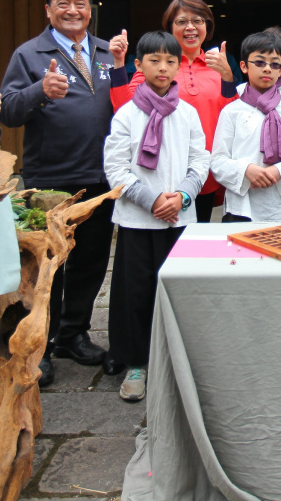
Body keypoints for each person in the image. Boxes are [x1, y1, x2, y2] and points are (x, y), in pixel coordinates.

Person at [0, 0, 119, 387]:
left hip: (101, 175)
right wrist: (40, 91)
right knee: (48, 268)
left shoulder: (105, 52)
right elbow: (8, 111)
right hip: (51, 178)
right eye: (63, 4)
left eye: (81, 4)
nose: (73, 10)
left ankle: (74, 334)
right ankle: (40, 344)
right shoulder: (29, 54)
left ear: (90, 9)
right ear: (48, 11)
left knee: (89, 262)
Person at [102, 31, 210, 400]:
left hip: (180, 218)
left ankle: (179, 361)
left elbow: (200, 160)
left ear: (179, 65)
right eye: (154, 60)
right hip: (138, 219)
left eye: (170, 61)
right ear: (138, 65)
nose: (163, 68)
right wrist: (150, 200)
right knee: (135, 292)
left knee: (178, 291)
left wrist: (181, 196)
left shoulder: (189, 113)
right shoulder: (127, 114)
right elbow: (115, 168)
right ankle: (135, 362)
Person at [110, 0, 238, 223]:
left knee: (194, 248)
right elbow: (124, 108)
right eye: (181, 21)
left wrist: (228, 76)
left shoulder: (218, 67)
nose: (190, 27)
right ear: (170, 27)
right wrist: (119, 64)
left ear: (207, 26)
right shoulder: (156, 67)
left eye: (198, 20)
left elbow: (233, 120)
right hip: (159, 175)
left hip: (203, 172)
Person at [211, 32, 281, 223]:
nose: (267, 69)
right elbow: (217, 160)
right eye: (259, 62)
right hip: (241, 207)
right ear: (243, 66)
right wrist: (245, 170)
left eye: (274, 64)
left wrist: (279, 172)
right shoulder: (231, 111)